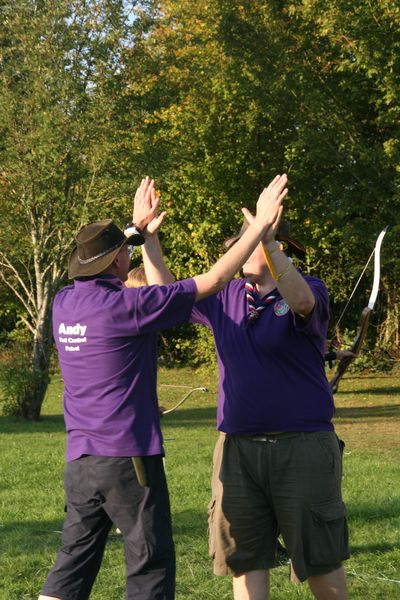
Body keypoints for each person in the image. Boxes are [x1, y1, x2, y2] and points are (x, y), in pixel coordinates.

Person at [38, 173, 288, 600]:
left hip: (80, 460)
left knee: (73, 560)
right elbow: (214, 280)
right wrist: (259, 229)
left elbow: (123, 267)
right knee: (149, 564)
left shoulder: (64, 302)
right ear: (118, 261)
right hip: (128, 457)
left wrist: (137, 233)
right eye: (124, 252)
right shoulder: (127, 306)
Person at [143, 210, 350, 599]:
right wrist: (149, 240)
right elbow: (165, 294)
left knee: (321, 562)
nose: (235, 254)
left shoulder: (310, 287)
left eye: (245, 245)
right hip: (237, 449)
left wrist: (266, 239)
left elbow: (302, 302)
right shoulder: (226, 294)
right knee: (245, 560)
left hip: (301, 446)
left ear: (277, 247)